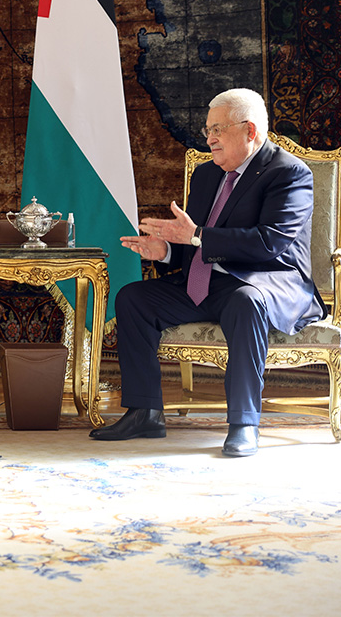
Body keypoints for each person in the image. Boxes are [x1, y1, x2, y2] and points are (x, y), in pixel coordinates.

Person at [92, 88, 325, 456]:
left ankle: (244, 423)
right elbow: (195, 244)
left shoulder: (288, 173)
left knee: (246, 301)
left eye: (218, 129)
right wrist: (167, 251)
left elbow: (269, 243)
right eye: (208, 130)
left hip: (268, 282)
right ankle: (144, 412)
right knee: (134, 298)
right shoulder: (205, 175)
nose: (210, 138)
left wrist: (196, 235)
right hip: (210, 282)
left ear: (249, 130)